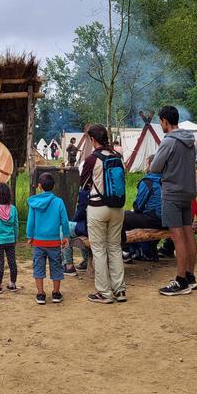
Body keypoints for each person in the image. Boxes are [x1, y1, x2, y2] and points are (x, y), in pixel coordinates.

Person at [150, 105, 197, 296]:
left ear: (164, 121)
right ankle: (190, 276)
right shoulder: (189, 140)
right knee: (188, 234)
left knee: (177, 236)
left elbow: (154, 167)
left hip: (172, 193)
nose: (160, 125)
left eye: (160, 121)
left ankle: (180, 281)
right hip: (188, 192)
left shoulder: (168, 141)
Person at [81, 125, 126, 304]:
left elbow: (83, 184)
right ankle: (120, 290)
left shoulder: (92, 159)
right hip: (118, 207)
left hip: (98, 207)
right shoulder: (117, 157)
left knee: (99, 250)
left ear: (93, 139)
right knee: (115, 248)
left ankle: (104, 293)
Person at [27, 172, 70, 305]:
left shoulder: (34, 202)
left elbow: (31, 221)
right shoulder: (58, 202)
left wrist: (29, 236)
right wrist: (66, 236)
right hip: (54, 242)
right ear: (53, 186)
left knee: (38, 267)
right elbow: (65, 221)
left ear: (39, 186)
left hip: (38, 242)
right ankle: (56, 293)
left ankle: (40, 294)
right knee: (56, 266)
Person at [121, 155, 162, 263]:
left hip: (155, 219)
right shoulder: (167, 179)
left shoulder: (149, 181)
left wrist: (134, 210)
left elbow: (138, 206)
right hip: (169, 219)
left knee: (123, 217)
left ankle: (127, 250)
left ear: (150, 165)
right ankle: (148, 250)